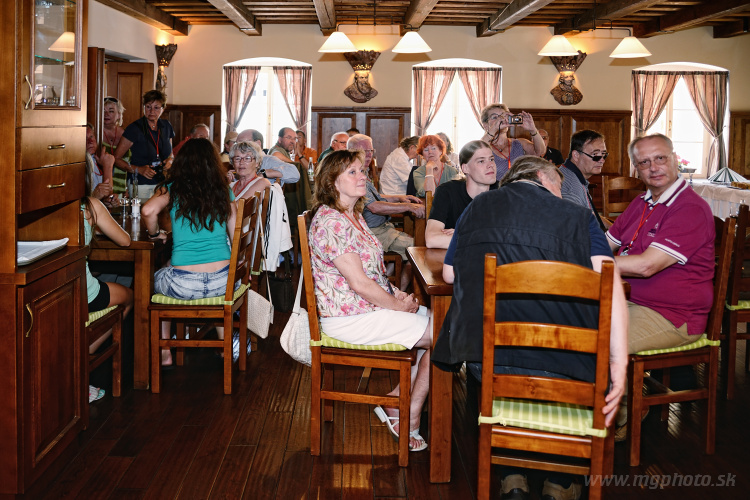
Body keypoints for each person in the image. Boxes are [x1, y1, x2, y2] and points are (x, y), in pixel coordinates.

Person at [434, 156, 628, 500]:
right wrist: (619, 360)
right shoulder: (578, 216)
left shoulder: (477, 207)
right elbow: (609, 282)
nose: (561, 194)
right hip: (564, 359)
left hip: (489, 359)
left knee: (504, 373)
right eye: (559, 185)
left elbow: (449, 274)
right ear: (543, 176)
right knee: (571, 371)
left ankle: (513, 477)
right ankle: (559, 481)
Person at [308, 149, 432, 452]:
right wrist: (398, 306)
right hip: (348, 318)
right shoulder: (332, 222)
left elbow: (372, 273)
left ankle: (397, 399)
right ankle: (409, 413)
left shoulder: (353, 215)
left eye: (361, 171)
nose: (362, 176)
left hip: (365, 308)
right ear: (332, 182)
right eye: (352, 172)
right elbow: (359, 284)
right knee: (445, 334)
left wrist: (396, 293)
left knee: (440, 320)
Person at [607, 133, 715, 356]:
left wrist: (585, 261)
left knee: (594, 345)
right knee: (564, 325)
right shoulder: (640, 202)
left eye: (660, 158)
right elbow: (604, 244)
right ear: (636, 169)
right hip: (626, 300)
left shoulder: (690, 208)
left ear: (674, 159)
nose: (653, 168)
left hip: (672, 315)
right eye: (644, 162)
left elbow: (646, 266)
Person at [142, 138, 237, 368]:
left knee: (155, 278)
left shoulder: (172, 188)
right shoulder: (223, 190)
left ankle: (165, 351)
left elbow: (147, 211)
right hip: (223, 283)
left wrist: (155, 234)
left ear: (182, 162)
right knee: (169, 266)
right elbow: (236, 237)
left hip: (183, 286)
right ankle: (224, 345)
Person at [82, 155, 134, 401]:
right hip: (85, 293)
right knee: (129, 296)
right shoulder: (90, 206)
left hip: (53, 291)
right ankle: (86, 351)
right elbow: (125, 241)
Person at [351, 134, 424, 289]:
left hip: (383, 228)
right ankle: (396, 293)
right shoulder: (354, 175)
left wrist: (400, 198)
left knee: (415, 243)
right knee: (419, 249)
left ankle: (389, 287)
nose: (369, 155)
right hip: (372, 233)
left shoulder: (362, 171)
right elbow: (374, 207)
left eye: (371, 151)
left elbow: (376, 197)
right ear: (352, 152)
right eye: (365, 151)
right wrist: (408, 207)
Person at [425, 140, 496, 249]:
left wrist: (462, 234)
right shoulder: (447, 192)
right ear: (465, 168)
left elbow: (514, 238)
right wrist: (486, 238)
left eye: (491, 159)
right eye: (481, 161)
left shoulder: (504, 191)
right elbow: (432, 239)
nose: (490, 165)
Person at [114, 89, 175, 201]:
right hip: (141, 184)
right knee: (143, 212)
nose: (152, 111)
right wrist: (138, 169)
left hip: (163, 182)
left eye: (156, 107)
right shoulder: (134, 128)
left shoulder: (167, 126)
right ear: (143, 107)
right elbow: (116, 159)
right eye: (148, 107)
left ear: (163, 109)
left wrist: (170, 160)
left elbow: (170, 153)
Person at [480, 103, 545, 181]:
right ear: (485, 125)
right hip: (495, 188)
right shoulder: (485, 145)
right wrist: (493, 129)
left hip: (519, 187)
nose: (501, 120)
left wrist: (533, 129)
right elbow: (478, 152)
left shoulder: (519, 143)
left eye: (503, 116)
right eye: (495, 117)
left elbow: (540, 151)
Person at [560, 129, 609, 230]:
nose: (602, 160)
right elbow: (575, 230)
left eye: (604, 154)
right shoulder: (572, 189)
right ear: (576, 155)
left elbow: (590, 214)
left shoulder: (570, 173)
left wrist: (614, 229)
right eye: (595, 155)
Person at [101, 96, 129, 194]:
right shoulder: (95, 135)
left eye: (111, 111)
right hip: (102, 189)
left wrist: (128, 188)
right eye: (103, 111)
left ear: (119, 115)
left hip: (122, 190)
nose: (106, 114)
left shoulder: (127, 135)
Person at [86, 124, 115, 202]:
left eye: (91, 136)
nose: (90, 141)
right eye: (85, 139)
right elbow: (78, 205)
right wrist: (108, 167)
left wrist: (108, 201)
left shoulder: (94, 159)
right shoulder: (77, 164)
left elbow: (106, 193)